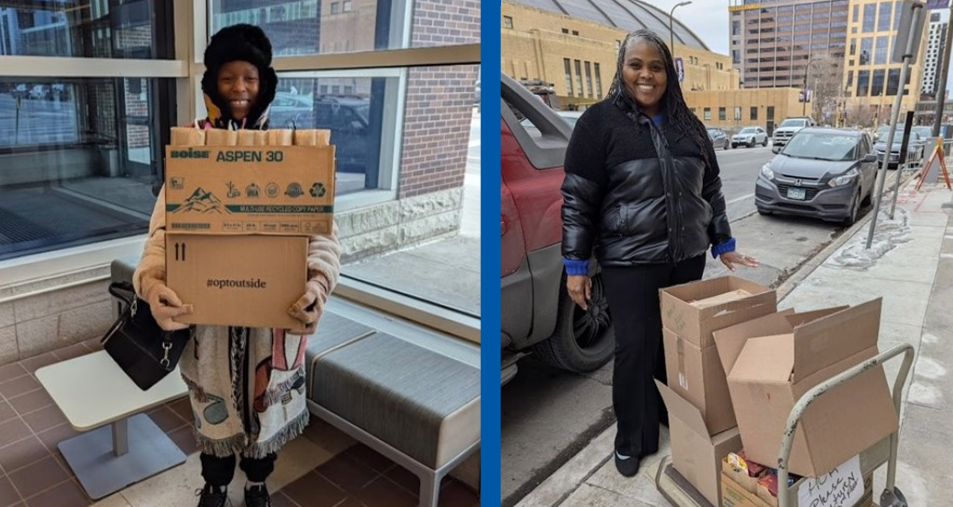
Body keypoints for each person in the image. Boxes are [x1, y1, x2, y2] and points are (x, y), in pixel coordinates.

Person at [133, 24, 342, 507]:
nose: (240, 90)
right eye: (228, 78)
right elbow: (164, 230)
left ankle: (257, 483)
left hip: (274, 319)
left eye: (249, 78)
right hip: (209, 318)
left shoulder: (294, 150)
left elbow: (323, 232)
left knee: (264, 410)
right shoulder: (193, 150)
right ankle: (214, 484)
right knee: (215, 410)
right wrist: (152, 281)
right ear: (212, 85)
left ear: (265, 83)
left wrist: (317, 282)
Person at [560, 29, 758, 478]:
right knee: (634, 347)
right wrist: (576, 265)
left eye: (656, 66)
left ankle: (672, 413)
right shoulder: (599, 123)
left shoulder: (691, 126)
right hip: (630, 262)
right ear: (621, 69)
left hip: (686, 257)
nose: (646, 75)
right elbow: (577, 199)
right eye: (637, 65)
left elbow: (710, 190)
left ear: (669, 73)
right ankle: (634, 436)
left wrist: (722, 242)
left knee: (677, 348)